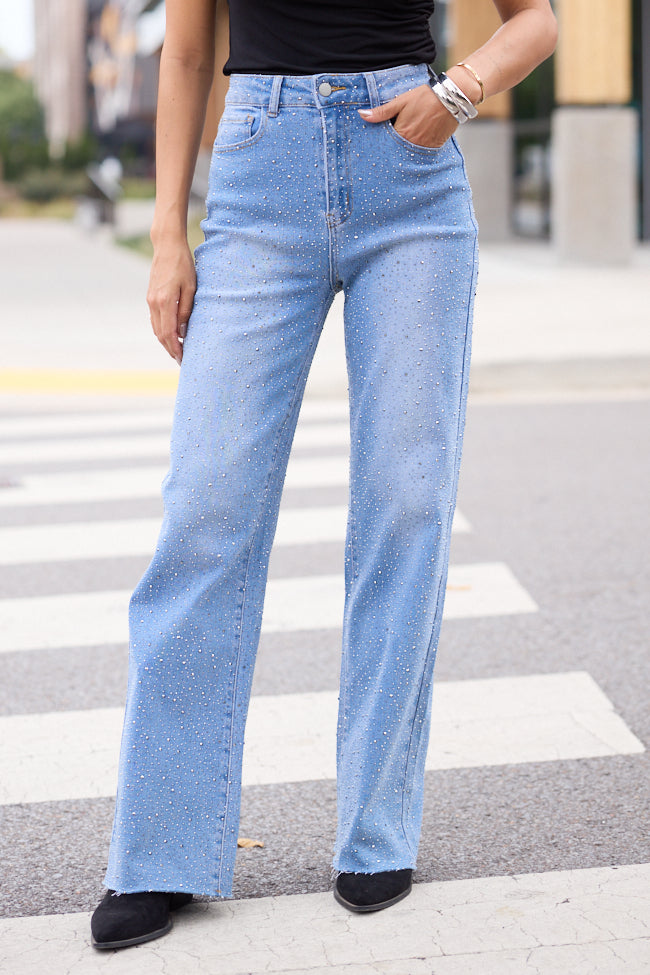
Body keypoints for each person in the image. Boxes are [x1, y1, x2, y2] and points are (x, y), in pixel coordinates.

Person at [90, 0, 557, 950]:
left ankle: (377, 829)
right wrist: (168, 233)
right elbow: (185, 53)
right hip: (258, 176)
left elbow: (537, 22)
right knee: (205, 508)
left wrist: (460, 92)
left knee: (406, 503)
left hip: (411, 181)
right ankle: (161, 846)